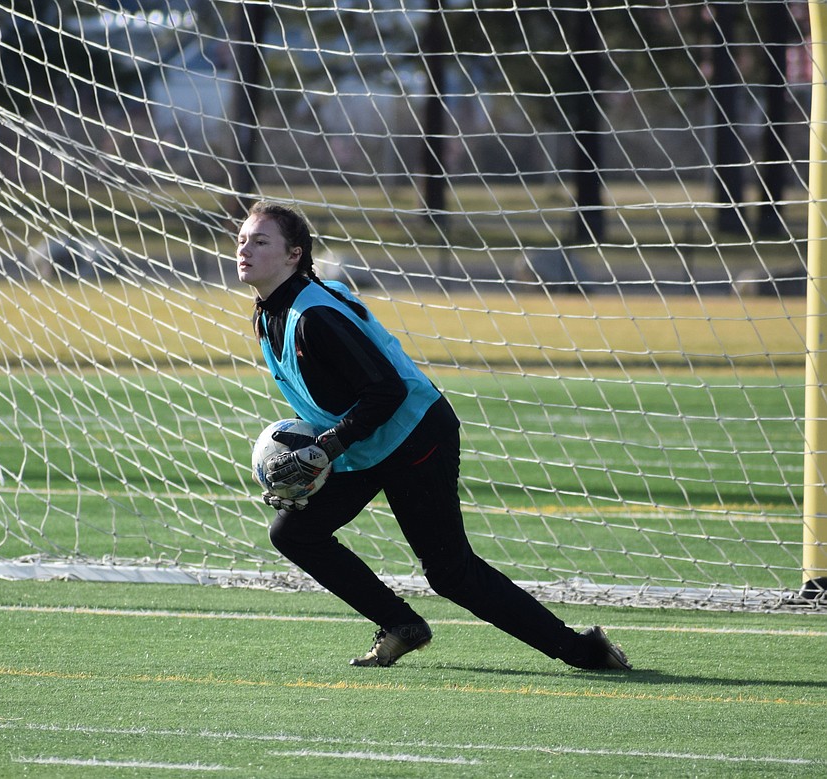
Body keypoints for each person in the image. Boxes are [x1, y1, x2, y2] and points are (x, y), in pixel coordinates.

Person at [237, 200, 630, 671]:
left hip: (416, 436)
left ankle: (584, 650)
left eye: (261, 241)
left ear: (293, 255)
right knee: (295, 532)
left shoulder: (316, 316)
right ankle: (401, 625)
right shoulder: (269, 313)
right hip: (366, 442)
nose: (245, 249)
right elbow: (333, 398)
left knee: (450, 572)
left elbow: (387, 391)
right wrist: (305, 466)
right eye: (242, 240)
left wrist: (324, 449)